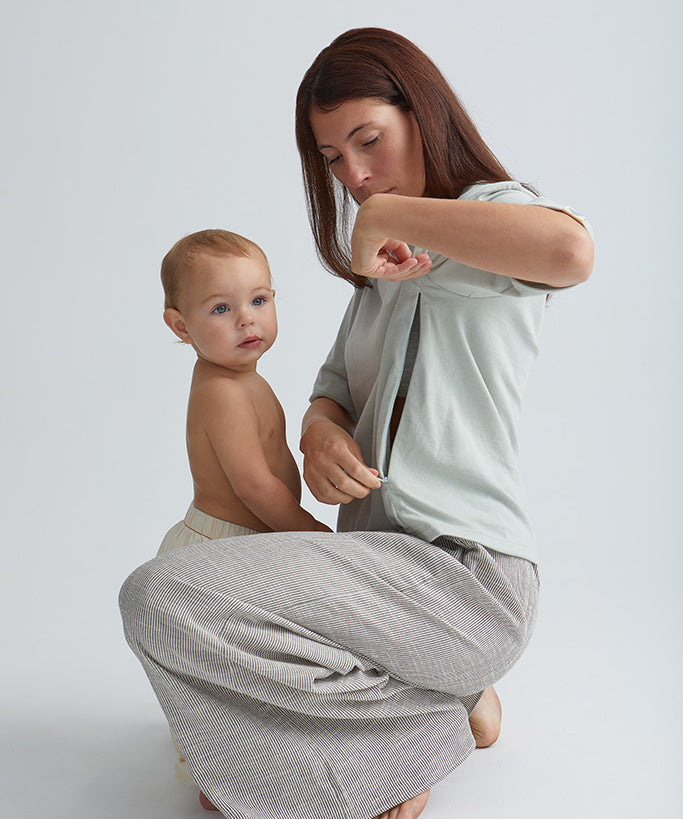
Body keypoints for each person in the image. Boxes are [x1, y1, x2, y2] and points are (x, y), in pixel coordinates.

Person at [120, 28, 594, 819]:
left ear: (423, 112)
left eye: (367, 140)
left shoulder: (484, 220)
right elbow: (330, 390)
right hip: (373, 570)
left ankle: (408, 735)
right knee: (163, 604)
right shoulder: (379, 279)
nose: (355, 174)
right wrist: (320, 433)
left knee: (159, 596)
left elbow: (569, 253)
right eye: (334, 159)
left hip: (464, 576)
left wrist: (389, 214)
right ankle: (443, 700)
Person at [155, 228, 332, 805]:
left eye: (259, 300)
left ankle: (249, 750)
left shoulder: (242, 377)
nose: (247, 320)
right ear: (181, 327)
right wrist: (313, 534)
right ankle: (219, 768)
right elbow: (255, 486)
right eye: (221, 309)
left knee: (258, 662)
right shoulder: (221, 390)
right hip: (220, 547)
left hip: (248, 544)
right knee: (226, 666)